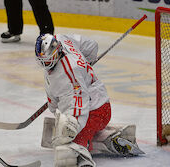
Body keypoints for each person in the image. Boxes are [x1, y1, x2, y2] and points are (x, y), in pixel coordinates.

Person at [35, 34, 144, 167]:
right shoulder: (62, 39)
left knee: (72, 141)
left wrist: (71, 131)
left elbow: (79, 109)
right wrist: (85, 64)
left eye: (46, 61)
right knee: (70, 131)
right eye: (41, 60)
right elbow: (92, 46)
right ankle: (106, 137)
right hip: (98, 103)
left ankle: (84, 159)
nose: (44, 64)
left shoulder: (69, 74)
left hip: (96, 111)